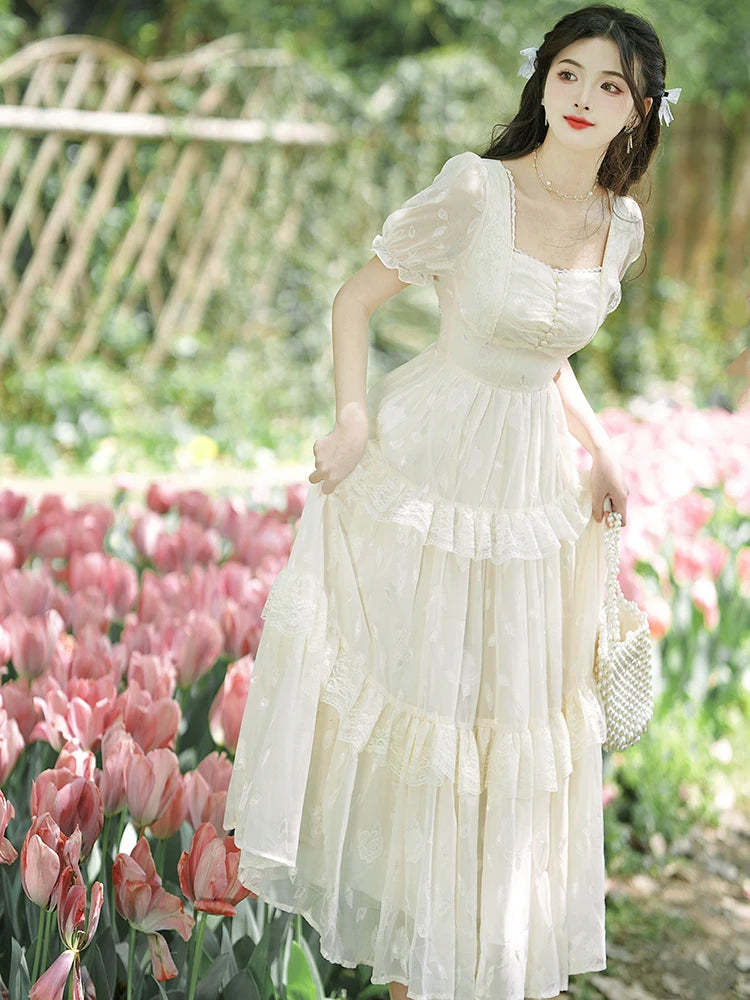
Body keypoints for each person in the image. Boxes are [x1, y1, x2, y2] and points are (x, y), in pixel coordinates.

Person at [223, 5, 678, 999]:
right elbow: (354, 300)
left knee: (509, 716)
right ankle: (413, 968)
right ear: (542, 80)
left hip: (530, 485)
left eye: (610, 86)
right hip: (430, 463)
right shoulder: (477, 189)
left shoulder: (620, 225)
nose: (583, 98)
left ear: (639, 111)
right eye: (569, 73)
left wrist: (601, 450)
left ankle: (480, 960)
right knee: (428, 701)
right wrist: (350, 421)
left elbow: (547, 356)